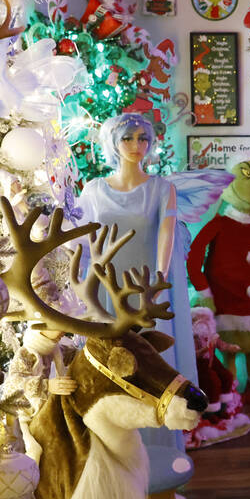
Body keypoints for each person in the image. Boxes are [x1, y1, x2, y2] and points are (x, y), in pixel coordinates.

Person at [76, 112, 198, 433]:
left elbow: (166, 234)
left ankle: (157, 439)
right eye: (128, 138)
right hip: (106, 288)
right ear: (114, 143)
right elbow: (83, 239)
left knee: (151, 358)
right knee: (110, 354)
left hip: (147, 289)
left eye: (143, 138)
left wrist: (158, 282)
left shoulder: (161, 188)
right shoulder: (94, 189)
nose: (136, 145)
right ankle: (110, 430)